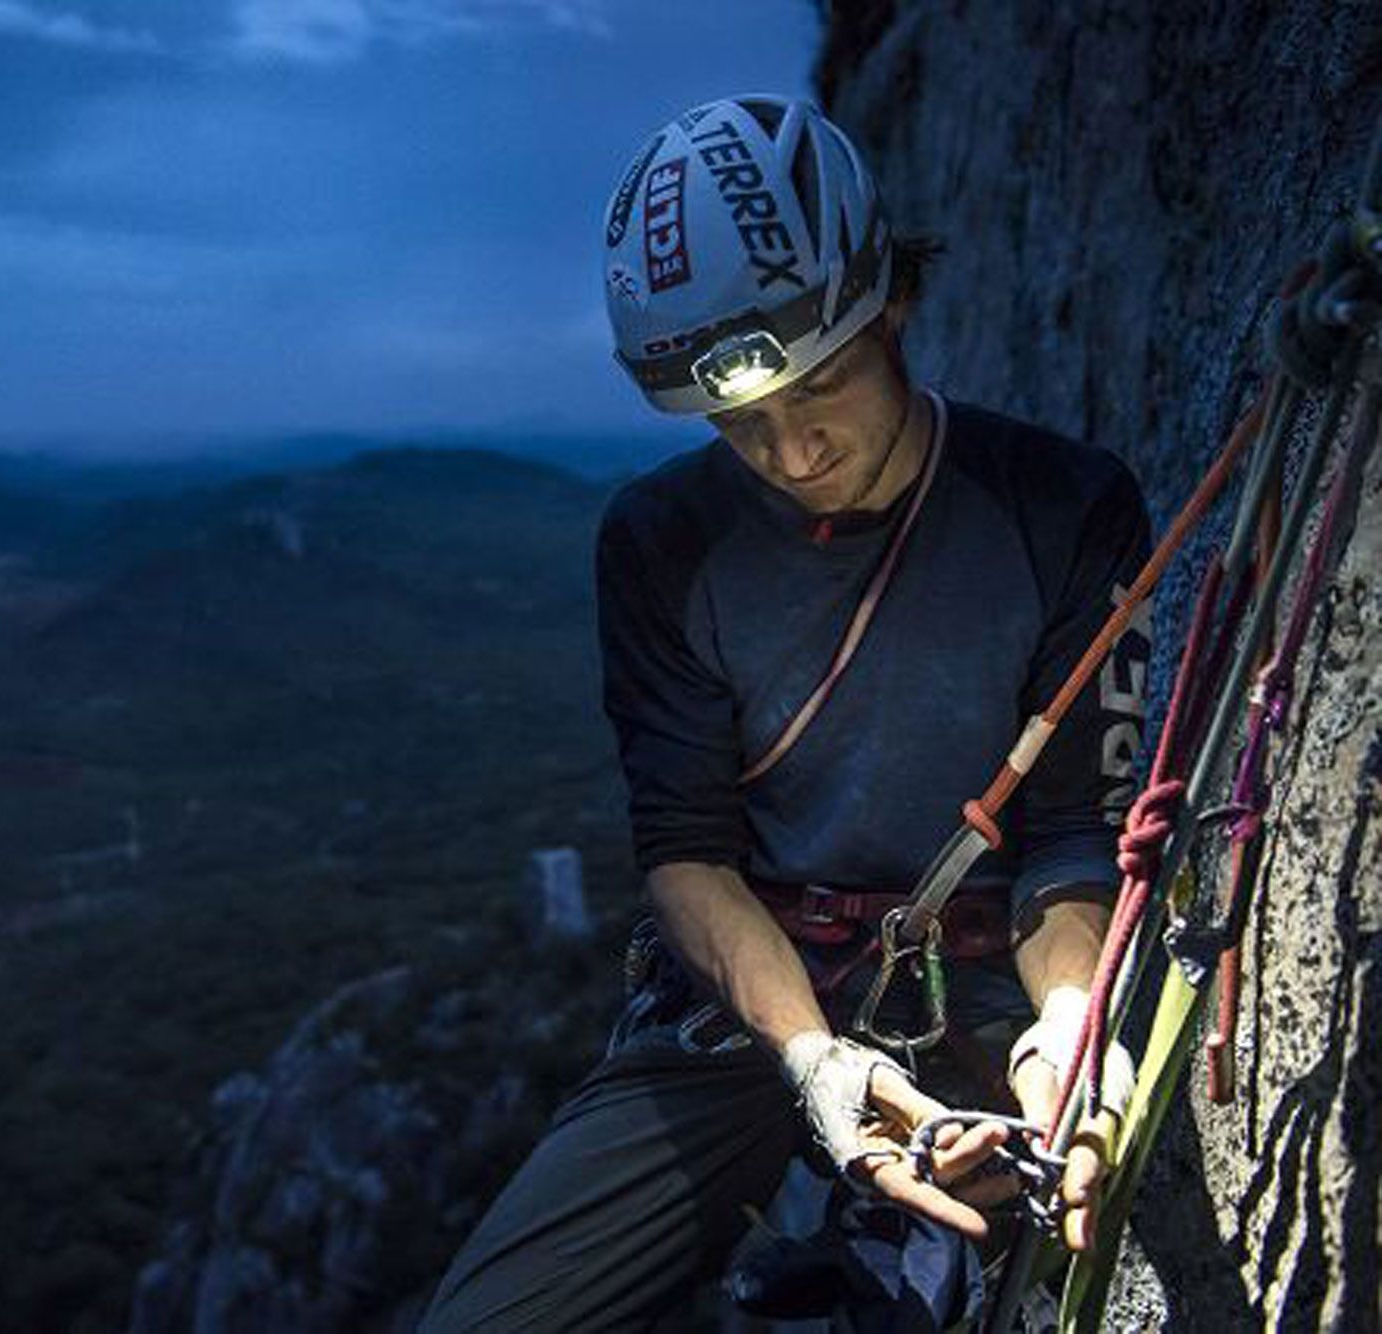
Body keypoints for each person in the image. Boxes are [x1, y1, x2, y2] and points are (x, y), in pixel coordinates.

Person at [421, 95, 1147, 1331]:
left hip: (985, 983)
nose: (791, 451)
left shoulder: (1058, 507)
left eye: (820, 387)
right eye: (739, 423)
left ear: (892, 301)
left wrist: (1069, 1033)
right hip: (751, 993)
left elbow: (1069, 830)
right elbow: (686, 848)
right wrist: (811, 1058)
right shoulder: (662, 541)